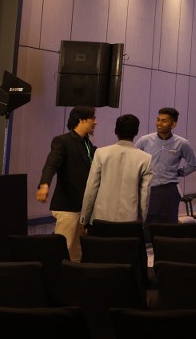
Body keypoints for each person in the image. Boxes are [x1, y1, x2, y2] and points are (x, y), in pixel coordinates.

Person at [36, 106, 98, 260]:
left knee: (77, 251)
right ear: (81, 120)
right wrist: (44, 185)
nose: (95, 122)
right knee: (61, 248)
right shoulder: (62, 141)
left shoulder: (88, 144)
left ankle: (74, 273)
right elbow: (51, 164)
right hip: (67, 205)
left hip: (82, 206)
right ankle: (53, 273)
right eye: (93, 118)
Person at [79, 113, 153, 227]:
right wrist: (141, 221)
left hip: (100, 218)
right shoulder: (146, 158)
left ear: (115, 131)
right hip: (130, 221)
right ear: (136, 132)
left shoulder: (101, 153)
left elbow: (91, 188)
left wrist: (84, 218)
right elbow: (145, 195)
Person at [135, 107, 196, 225]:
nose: (159, 124)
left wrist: (179, 172)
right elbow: (133, 159)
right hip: (148, 188)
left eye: (164, 121)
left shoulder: (182, 143)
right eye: (158, 120)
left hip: (169, 189)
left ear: (173, 124)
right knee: (147, 223)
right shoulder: (144, 140)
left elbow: (194, 164)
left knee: (169, 225)